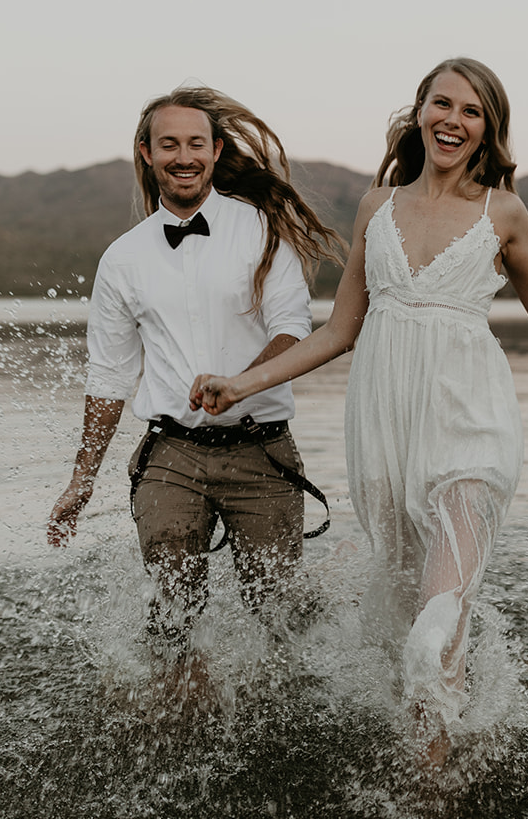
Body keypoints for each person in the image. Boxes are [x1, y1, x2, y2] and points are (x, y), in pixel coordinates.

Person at [191, 57, 528, 759]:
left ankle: (430, 797)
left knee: (432, 626)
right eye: (442, 103)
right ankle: (435, 765)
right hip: (387, 431)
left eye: (472, 111)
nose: (454, 119)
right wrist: (244, 384)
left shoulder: (502, 211)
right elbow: (339, 329)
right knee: (405, 614)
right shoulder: (378, 205)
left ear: (488, 132)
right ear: (419, 111)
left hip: (471, 423)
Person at [47, 85, 343, 658]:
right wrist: (82, 479)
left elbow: (292, 330)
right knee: (173, 609)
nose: (183, 157)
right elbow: (109, 376)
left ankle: (296, 706)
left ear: (215, 150)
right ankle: (181, 707)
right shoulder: (122, 258)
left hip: (262, 451)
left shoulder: (263, 231)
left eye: (195, 144)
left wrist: (239, 384)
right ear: (145, 152)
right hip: (171, 457)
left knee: (277, 610)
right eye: (168, 145)